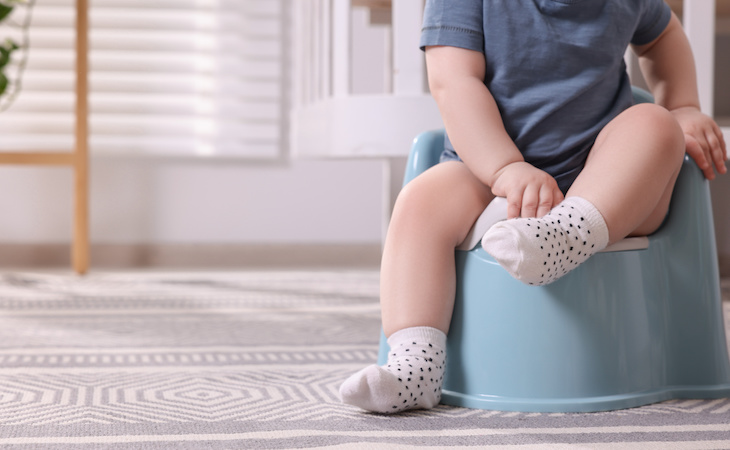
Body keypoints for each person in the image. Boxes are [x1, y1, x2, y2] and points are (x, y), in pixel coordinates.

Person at [339, 0, 728, 414]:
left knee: (656, 124)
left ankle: (568, 233)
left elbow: (664, 36)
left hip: (604, 180)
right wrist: (505, 167)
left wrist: (681, 104)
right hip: (487, 171)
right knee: (420, 202)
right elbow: (454, 83)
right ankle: (416, 364)